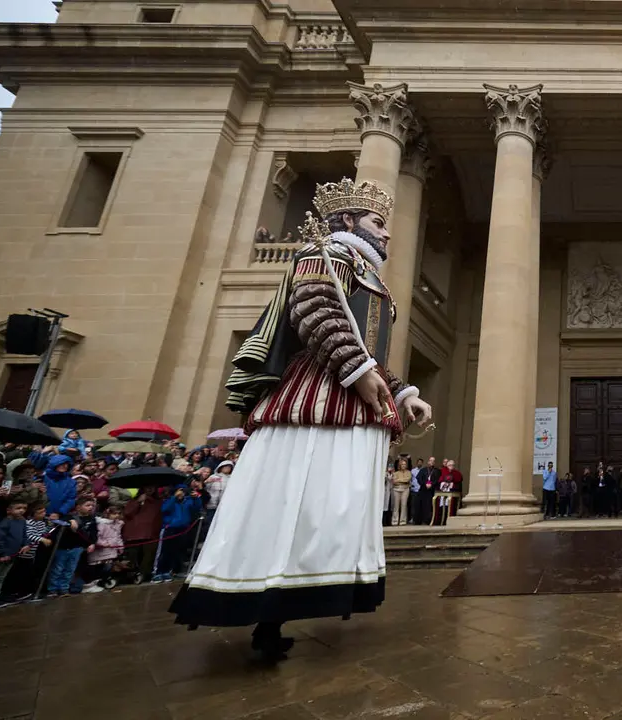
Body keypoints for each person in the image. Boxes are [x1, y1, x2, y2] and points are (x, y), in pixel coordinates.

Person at [170, 178, 432, 660]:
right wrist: (355, 371)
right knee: (290, 499)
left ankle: (289, 600)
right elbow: (314, 312)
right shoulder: (322, 256)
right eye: (378, 223)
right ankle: (263, 610)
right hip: (318, 397)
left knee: (326, 507)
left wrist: (402, 392)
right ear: (348, 221)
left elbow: (368, 349)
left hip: (350, 395)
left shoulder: (365, 272)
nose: (388, 234)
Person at [48, 496, 97, 596]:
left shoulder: (92, 520)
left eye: (92, 505)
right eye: (87, 505)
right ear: (78, 507)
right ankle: (52, 589)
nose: (90, 507)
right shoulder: (69, 517)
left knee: (70, 570)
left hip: (77, 548)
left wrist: (92, 543)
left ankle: (64, 588)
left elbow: (93, 533)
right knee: (57, 569)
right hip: (63, 547)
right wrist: (70, 521)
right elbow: (61, 523)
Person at [153, 487, 201, 583]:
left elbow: (196, 508)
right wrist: (174, 498)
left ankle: (168, 571)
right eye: (179, 491)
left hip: (183, 529)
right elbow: (164, 509)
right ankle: (158, 572)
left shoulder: (187, 501)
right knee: (165, 552)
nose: (181, 494)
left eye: (183, 492)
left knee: (175, 551)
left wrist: (196, 498)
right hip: (170, 528)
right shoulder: (169, 501)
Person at [0, 495, 29, 605]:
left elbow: (24, 536)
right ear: (9, 510)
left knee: (1, 577)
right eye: (18, 508)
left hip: (13, 555)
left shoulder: (22, 521)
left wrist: (26, 544)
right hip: (2, 556)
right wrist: (2, 553)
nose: (22, 510)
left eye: (24, 508)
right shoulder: (5, 522)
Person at [123, 489, 163, 583]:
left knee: (148, 557)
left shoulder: (158, 502)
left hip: (151, 532)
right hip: (134, 533)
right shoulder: (133, 501)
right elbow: (127, 513)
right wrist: (138, 502)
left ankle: (143, 574)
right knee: (133, 557)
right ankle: (131, 575)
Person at [83, 504, 125, 593]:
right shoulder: (101, 524)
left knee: (108, 567)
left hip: (111, 549)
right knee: (97, 568)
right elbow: (97, 537)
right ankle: (94, 584)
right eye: (114, 513)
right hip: (102, 549)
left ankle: (105, 583)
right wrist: (105, 544)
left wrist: (120, 546)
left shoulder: (118, 524)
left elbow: (118, 536)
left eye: (118, 514)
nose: (116, 516)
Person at [43, 455, 76, 520]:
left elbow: (71, 499)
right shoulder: (43, 478)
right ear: (54, 464)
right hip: (39, 514)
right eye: (62, 463)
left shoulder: (71, 482)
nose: (65, 466)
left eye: (67, 464)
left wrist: (59, 513)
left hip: (59, 516)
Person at [413, 456, 438, 526]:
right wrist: (425, 484)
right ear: (428, 461)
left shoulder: (436, 471)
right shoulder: (423, 470)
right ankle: (418, 520)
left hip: (431, 491)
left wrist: (431, 484)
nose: (431, 462)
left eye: (433, 461)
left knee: (428, 506)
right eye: (430, 460)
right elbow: (419, 479)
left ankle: (428, 520)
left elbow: (437, 480)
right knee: (419, 505)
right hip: (423, 490)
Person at [390, 456, 412, 526]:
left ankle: (402, 521)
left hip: (405, 489)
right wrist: (402, 480)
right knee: (396, 506)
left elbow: (407, 480)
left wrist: (399, 480)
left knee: (404, 505)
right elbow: (394, 481)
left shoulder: (408, 472)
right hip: (396, 489)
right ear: (400, 465)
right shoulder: (396, 473)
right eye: (402, 464)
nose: (403, 466)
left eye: (405, 464)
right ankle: (395, 521)